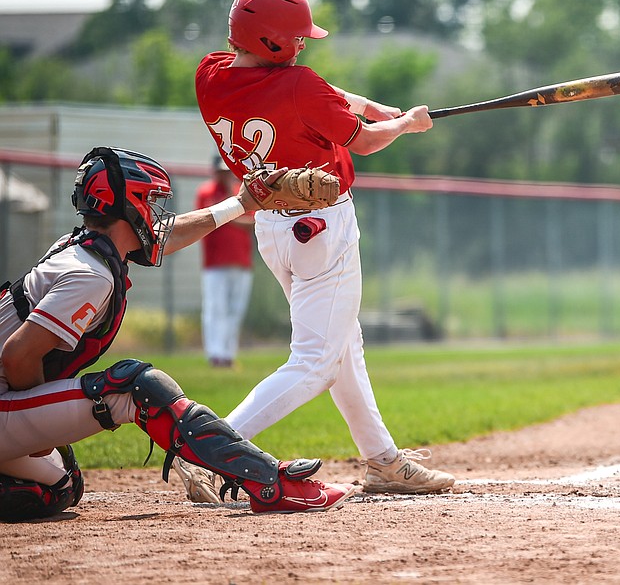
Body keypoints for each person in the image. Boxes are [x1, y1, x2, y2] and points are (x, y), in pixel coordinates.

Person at [187, 0, 454, 503]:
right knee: (316, 360)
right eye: (295, 38)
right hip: (323, 229)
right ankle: (207, 447)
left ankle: (383, 461)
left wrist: (376, 107)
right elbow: (366, 140)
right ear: (272, 43)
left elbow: (319, 95)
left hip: (271, 227)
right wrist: (404, 124)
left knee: (342, 345)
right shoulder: (298, 86)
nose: (303, 46)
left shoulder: (210, 74)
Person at [0, 147, 356, 519]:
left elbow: (164, 238)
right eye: (150, 200)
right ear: (129, 203)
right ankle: (271, 483)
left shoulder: (82, 249)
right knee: (133, 387)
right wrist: (41, 438)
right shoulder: (91, 275)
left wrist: (242, 203)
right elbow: (18, 355)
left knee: (62, 485)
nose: (156, 213)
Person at [195, 155, 254, 368]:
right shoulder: (206, 192)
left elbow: (251, 223)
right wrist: (232, 206)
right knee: (215, 308)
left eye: (228, 170)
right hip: (215, 263)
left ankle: (228, 355)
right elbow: (212, 221)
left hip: (241, 261)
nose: (225, 174)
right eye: (221, 171)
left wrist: (231, 197)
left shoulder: (241, 192)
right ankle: (215, 354)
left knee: (235, 310)